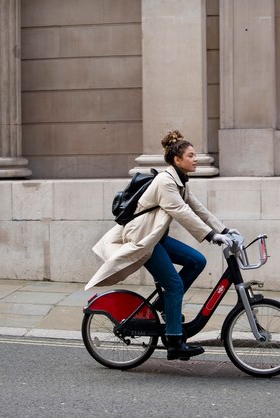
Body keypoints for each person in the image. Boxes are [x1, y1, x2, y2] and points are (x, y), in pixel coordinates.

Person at [85, 130, 238, 361]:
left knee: (197, 261)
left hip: (157, 237)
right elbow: (181, 211)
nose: (195, 159)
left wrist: (224, 230)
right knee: (175, 285)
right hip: (144, 239)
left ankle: (165, 303)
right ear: (177, 160)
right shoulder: (165, 182)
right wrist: (210, 236)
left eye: (195, 155)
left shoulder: (180, 182)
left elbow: (198, 209)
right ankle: (175, 340)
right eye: (191, 155)